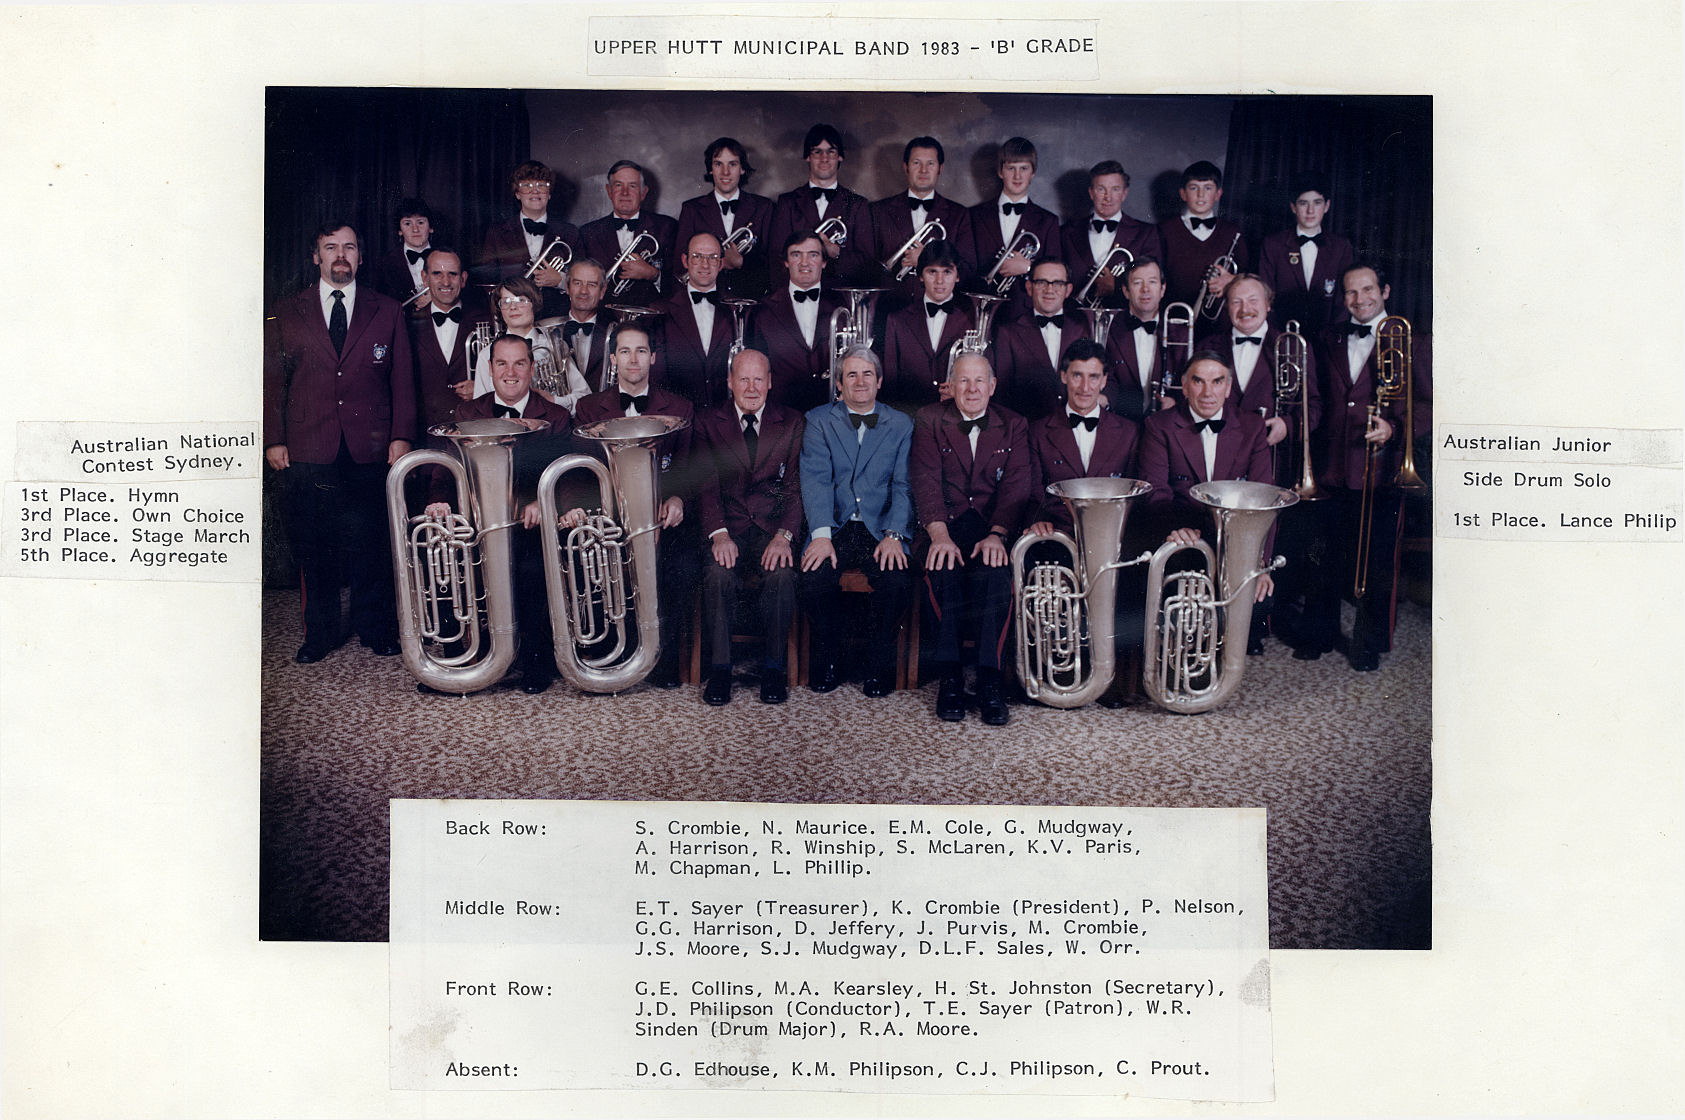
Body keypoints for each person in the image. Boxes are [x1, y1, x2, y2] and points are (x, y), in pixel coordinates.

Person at [263, 220, 413, 662]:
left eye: (349, 246)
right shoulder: (287, 311)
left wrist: (401, 435)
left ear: (360, 257)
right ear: (316, 256)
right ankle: (320, 634)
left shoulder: (387, 309)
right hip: (309, 447)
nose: (341, 255)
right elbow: (274, 383)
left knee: (372, 544)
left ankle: (375, 628)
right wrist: (274, 440)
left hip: (370, 446)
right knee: (315, 547)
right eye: (331, 247)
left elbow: (402, 381)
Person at [1294, 263, 1432, 672]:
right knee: (1324, 554)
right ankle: (1319, 632)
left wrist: (1394, 427)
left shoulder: (1414, 343)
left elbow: (1428, 404)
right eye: (1352, 293)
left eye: (1368, 290)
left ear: (1385, 290)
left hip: (1383, 467)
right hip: (1333, 465)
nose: (1360, 300)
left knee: (1376, 560)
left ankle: (1369, 642)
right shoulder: (1330, 337)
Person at [426, 334, 575, 693]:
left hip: (528, 525)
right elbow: (447, 465)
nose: (511, 372)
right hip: (476, 522)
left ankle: (536, 663)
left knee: (531, 567)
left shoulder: (554, 416)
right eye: (502, 364)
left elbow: (567, 471)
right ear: (490, 369)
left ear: (532, 369)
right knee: (442, 552)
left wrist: (544, 501)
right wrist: (439, 500)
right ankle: (452, 661)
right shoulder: (467, 413)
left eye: (519, 363)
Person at [909, 352, 1033, 725]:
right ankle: (950, 678)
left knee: (995, 578)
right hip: (943, 525)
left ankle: (989, 681)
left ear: (992, 386)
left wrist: (998, 535)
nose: (972, 389)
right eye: (963, 381)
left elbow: (1016, 487)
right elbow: (925, 478)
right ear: (951, 386)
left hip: (990, 527)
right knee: (943, 573)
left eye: (980, 381)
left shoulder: (1014, 424)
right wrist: (939, 536)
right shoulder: (930, 418)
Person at [572, 322, 697, 689]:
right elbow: (580, 472)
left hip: (663, 520)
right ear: (613, 359)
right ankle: (610, 650)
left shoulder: (680, 407)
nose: (633, 359)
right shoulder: (589, 407)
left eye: (641, 351)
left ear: (653, 358)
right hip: (609, 519)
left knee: (682, 567)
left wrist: (677, 498)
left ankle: (665, 660)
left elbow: (691, 468)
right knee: (589, 559)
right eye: (625, 351)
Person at [1024, 339, 1145, 708]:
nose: (1084, 386)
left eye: (1094, 377)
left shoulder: (1128, 431)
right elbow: (1030, 489)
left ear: (1105, 380)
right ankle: (1057, 669)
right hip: (1059, 533)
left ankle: (1112, 676)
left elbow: (1136, 490)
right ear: (1064, 376)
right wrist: (1039, 521)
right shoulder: (1038, 429)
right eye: (1077, 375)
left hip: (1111, 538)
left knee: (1129, 578)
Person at [1138, 351, 1276, 653]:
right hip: (1182, 535)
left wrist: (1260, 563)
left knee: (1262, 604)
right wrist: (1176, 530)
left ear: (1228, 388)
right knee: (1183, 605)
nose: (1207, 392)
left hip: (1236, 539)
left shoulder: (1252, 426)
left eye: (1217, 382)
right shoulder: (1159, 425)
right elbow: (1156, 491)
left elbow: (1265, 498)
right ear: (1184, 387)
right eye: (1198, 382)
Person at [798, 346, 914, 698]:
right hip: (834, 526)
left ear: (879, 381)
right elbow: (815, 479)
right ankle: (829, 659)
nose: (860, 382)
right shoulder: (819, 420)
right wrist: (820, 534)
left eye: (867, 374)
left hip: (880, 528)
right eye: (851, 375)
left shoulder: (902, 423)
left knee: (895, 579)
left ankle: (878, 665)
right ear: (838, 384)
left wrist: (894, 533)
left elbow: (904, 484)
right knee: (814, 577)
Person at [694, 349, 804, 705]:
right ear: (730, 382)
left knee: (782, 574)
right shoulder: (709, 422)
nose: (752, 387)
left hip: (773, 528)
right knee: (718, 575)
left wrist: (784, 537)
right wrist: (719, 534)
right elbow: (706, 484)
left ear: (770, 382)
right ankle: (721, 670)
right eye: (744, 379)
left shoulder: (791, 421)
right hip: (728, 526)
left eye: (759, 379)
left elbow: (796, 486)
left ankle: (774, 669)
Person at [1195, 274, 1321, 488]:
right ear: (1227, 307)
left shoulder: (1294, 347)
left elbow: (1314, 406)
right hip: (1216, 457)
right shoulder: (1207, 346)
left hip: (1272, 460)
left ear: (1268, 305)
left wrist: (1287, 425)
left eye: (1253, 300)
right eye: (1236, 301)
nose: (1245, 309)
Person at [766, 124, 878, 287]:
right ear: (807, 157)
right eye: (817, 151)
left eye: (831, 151)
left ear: (840, 157)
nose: (824, 158)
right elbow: (776, 258)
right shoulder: (787, 202)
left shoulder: (858, 205)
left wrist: (836, 252)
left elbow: (867, 264)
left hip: (841, 296)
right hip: (797, 295)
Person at [968, 136, 1059, 322]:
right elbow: (967, 266)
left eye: (1024, 169)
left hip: (1025, 314)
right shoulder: (974, 215)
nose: (1017, 176)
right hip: (982, 312)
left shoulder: (1048, 221)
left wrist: (1027, 267)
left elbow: (1057, 273)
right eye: (1011, 168)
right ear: (1000, 172)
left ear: (1033, 172)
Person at [870, 135, 975, 297]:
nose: (923, 170)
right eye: (916, 163)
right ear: (906, 167)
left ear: (940, 169)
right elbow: (867, 267)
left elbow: (968, 270)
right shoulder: (878, 210)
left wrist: (928, 258)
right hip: (890, 306)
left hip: (939, 309)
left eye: (930, 164)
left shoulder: (959, 215)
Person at [478, 161, 582, 320]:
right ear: (517, 193)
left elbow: (583, 278)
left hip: (556, 318)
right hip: (513, 319)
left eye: (542, 185)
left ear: (549, 193)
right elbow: (488, 280)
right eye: (526, 185)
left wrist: (560, 280)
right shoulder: (497, 232)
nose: (535, 191)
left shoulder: (570, 232)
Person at [879, 239, 973, 415]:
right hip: (909, 415)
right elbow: (891, 383)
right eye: (932, 272)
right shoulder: (896, 321)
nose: (939, 281)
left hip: (956, 416)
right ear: (920, 276)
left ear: (957, 276)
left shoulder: (972, 321)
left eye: (947, 272)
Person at [407, 249, 493, 441]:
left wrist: (481, 386)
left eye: (452, 274)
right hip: (425, 436)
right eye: (437, 273)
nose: (445, 282)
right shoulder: (406, 324)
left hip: (474, 434)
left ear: (463, 279)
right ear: (425, 278)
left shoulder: (487, 320)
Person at [749, 230, 839, 413]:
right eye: (796, 255)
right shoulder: (762, 310)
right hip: (782, 413)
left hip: (833, 410)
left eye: (813, 255)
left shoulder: (841, 305)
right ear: (786, 262)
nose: (804, 263)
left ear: (824, 262)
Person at [469, 276, 589, 410]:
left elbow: (584, 397)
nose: (513, 307)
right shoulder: (487, 354)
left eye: (521, 300)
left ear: (534, 303)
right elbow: (480, 408)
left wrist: (554, 400)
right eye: (506, 301)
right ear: (500, 309)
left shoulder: (554, 345)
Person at [674, 137, 774, 298]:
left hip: (751, 298)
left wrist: (740, 262)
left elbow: (773, 262)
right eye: (718, 164)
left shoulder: (763, 207)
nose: (725, 172)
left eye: (732, 164)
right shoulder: (691, 209)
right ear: (710, 169)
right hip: (708, 298)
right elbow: (680, 263)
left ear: (742, 169)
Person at [990, 258, 1088, 421]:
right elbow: (1002, 393)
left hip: (1074, 427)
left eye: (1057, 283)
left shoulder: (1083, 329)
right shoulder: (1008, 333)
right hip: (1028, 428)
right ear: (1029, 287)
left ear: (1068, 290)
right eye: (1042, 282)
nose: (1049, 290)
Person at [1257, 176, 1356, 331]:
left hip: (1327, 336)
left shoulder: (1341, 246)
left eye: (1317, 203)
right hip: (1283, 333)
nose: (1310, 210)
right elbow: (1265, 296)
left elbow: (1343, 300)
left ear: (1327, 206)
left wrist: (1332, 338)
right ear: (1293, 207)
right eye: (1303, 203)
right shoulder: (1273, 244)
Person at [1061, 160, 1162, 307]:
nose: (1108, 197)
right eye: (1101, 189)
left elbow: (1153, 284)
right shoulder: (1067, 232)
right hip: (1076, 319)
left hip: (1124, 322)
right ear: (1091, 193)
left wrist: (1116, 286)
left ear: (1124, 193)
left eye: (1115, 189)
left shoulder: (1145, 233)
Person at [579, 160, 678, 308]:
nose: (625, 193)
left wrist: (652, 274)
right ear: (609, 191)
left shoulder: (667, 227)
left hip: (652, 319)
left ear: (643, 193)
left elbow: (680, 280)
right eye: (618, 185)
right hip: (604, 318)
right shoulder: (587, 232)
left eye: (632, 186)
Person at [655, 233, 735, 410]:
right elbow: (658, 375)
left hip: (725, 418)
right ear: (685, 261)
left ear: (721, 263)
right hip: (679, 416)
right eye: (697, 256)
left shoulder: (736, 309)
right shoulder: (662, 311)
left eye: (713, 258)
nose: (705, 264)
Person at [1158, 160, 1250, 313]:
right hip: (1175, 316)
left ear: (1218, 194)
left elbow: (1248, 276)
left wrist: (1233, 280)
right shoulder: (1164, 230)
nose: (1201, 195)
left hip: (1221, 320)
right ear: (1183, 194)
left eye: (1208, 188)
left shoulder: (1233, 232)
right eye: (1194, 188)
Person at [1105, 256, 1174, 423]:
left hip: (1167, 426)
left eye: (1152, 282)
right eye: (1137, 283)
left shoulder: (1180, 333)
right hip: (1119, 426)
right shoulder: (1108, 329)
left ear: (1162, 289)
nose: (1145, 289)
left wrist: (1175, 402)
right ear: (1126, 291)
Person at [557, 258, 616, 393]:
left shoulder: (615, 331)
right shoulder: (550, 331)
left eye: (592, 285)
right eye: (577, 283)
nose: (584, 291)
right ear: (567, 287)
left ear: (602, 291)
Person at [371, 197, 436, 305]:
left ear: (431, 228)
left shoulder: (449, 258)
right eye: (407, 224)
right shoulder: (385, 263)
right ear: (399, 231)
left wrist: (436, 297)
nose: (415, 229)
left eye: (420, 222)